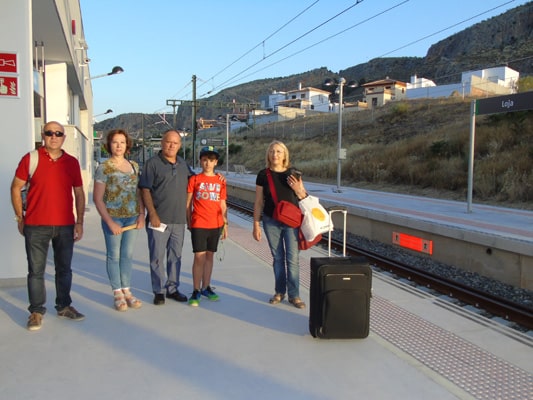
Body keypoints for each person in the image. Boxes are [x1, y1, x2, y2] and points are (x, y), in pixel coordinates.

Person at [10, 121, 86, 331]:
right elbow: (16, 187)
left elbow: (79, 192)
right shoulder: (31, 158)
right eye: (49, 133)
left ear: (64, 137)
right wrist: (20, 217)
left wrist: (79, 221)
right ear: (43, 135)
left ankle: (64, 306)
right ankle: (36, 311)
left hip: (65, 226)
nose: (54, 136)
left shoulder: (71, 163)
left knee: (64, 270)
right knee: (36, 271)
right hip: (36, 225)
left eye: (58, 133)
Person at [93, 129, 145, 312]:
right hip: (113, 218)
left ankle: (127, 290)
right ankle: (117, 292)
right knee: (113, 256)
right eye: (115, 142)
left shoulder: (134, 166)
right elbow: (98, 199)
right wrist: (109, 222)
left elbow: (138, 193)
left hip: (131, 217)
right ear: (109, 145)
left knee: (127, 255)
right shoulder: (103, 168)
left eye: (122, 142)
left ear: (127, 144)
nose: (119, 146)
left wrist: (141, 214)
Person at [139, 130, 193, 305]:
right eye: (168, 142)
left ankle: (172, 288)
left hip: (179, 220)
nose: (171, 145)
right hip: (158, 220)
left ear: (180, 145)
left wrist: (216, 176)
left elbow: (195, 183)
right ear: (162, 143)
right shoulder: (152, 164)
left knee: (175, 256)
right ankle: (159, 290)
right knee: (157, 256)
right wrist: (152, 214)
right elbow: (144, 189)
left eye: (175, 143)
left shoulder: (183, 164)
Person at [253, 140, 308, 309]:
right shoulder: (263, 175)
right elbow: (258, 201)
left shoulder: (294, 173)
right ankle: (279, 291)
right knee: (278, 258)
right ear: (268, 155)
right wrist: (256, 224)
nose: (275, 155)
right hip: (271, 221)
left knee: (293, 259)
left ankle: (294, 295)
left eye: (278, 151)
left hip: (291, 222)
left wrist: (299, 188)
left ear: (285, 155)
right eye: (272, 151)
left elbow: (304, 198)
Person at [186, 146, 227, 307]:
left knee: (210, 256)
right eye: (204, 160)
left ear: (216, 162)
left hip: (216, 224)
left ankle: (206, 287)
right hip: (199, 223)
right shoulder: (194, 180)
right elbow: (188, 203)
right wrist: (188, 220)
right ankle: (196, 289)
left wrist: (226, 223)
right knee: (199, 257)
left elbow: (222, 203)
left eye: (211, 160)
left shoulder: (220, 181)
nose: (208, 163)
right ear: (200, 161)